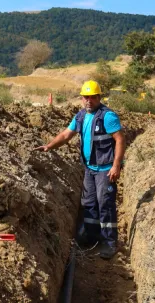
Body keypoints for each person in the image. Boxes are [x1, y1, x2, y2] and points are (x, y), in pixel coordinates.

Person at [34, 80, 126, 259]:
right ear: (82, 98)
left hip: (105, 169)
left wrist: (116, 165)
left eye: (92, 97)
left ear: (99, 97)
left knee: (105, 204)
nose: (89, 100)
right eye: (86, 97)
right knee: (89, 203)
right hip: (89, 168)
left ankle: (109, 242)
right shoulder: (81, 116)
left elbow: (120, 140)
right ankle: (92, 236)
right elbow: (66, 135)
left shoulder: (108, 116)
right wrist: (49, 146)